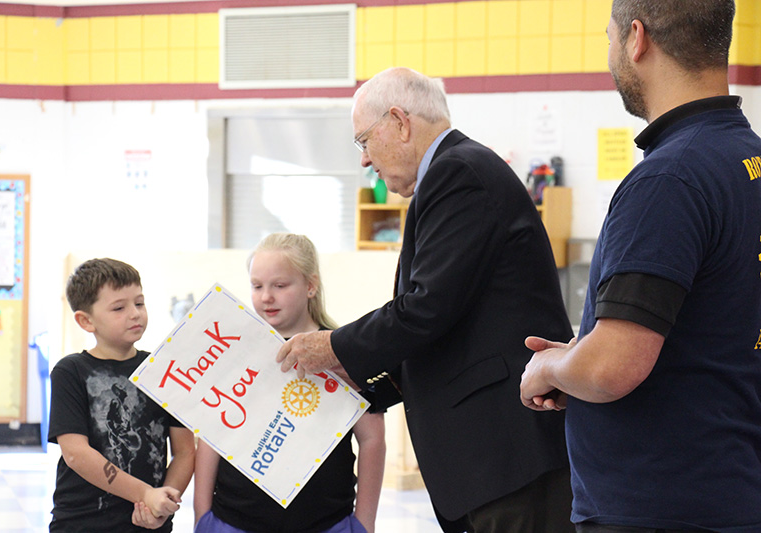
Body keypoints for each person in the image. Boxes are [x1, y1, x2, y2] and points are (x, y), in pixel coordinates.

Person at [277, 68, 574, 532]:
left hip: (504, 455)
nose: (363, 161)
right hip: (491, 461)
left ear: (399, 121)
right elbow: (448, 324)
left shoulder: (458, 173)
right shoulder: (457, 172)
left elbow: (426, 309)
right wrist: (363, 384)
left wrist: (332, 346)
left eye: (363, 141)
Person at [520, 0, 761, 531]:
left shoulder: (668, 180)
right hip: (728, 491)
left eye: (608, 38)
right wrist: (584, 355)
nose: (610, 55)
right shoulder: (747, 158)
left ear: (636, 38)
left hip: (660, 505)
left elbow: (614, 367)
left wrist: (552, 367)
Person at [193, 233, 386, 533]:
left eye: (280, 286)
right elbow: (210, 437)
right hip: (234, 520)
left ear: (310, 286)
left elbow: (372, 440)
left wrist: (364, 523)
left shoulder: (345, 351)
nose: (266, 296)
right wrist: (202, 516)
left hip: (327, 521)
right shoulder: (233, 350)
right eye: (257, 286)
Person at [49, 258, 195, 532]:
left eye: (139, 303)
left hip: (149, 522)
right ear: (86, 320)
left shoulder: (163, 369)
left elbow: (186, 451)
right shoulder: (71, 371)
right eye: (119, 307)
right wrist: (145, 494)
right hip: (82, 523)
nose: (135, 314)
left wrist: (163, 502)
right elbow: (76, 454)